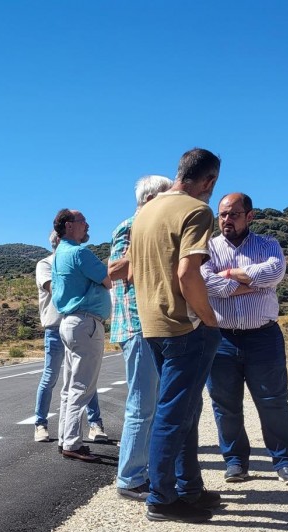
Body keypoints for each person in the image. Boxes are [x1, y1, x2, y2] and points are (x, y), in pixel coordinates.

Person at [126, 148, 223, 523]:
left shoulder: (144, 213)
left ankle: (188, 488)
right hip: (186, 326)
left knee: (185, 409)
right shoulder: (197, 211)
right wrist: (208, 318)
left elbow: (133, 274)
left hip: (153, 324)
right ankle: (162, 499)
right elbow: (187, 274)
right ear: (209, 180)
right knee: (173, 413)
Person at [201, 192, 288, 486]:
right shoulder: (207, 247)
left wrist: (232, 273)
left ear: (250, 216)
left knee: (273, 401)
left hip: (263, 337)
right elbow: (207, 282)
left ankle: (285, 463)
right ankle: (235, 462)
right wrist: (251, 284)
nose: (226, 220)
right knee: (225, 405)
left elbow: (274, 271)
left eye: (233, 214)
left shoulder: (268, 244)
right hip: (221, 339)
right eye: (222, 214)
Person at [108, 175, 172, 500]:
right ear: (150, 200)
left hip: (151, 325)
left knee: (154, 402)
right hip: (137, 325)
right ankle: (130, 478)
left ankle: (142, 472)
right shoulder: (131, 227)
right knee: (142, 404)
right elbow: (117, 270)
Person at [51, 208, 113, 462]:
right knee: (82, 387)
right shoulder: (79, 253)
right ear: (68, 225)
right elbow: (108, 280)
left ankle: (66, 438)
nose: (87, 226)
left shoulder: (59, 254)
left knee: (70, 386)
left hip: (70, 322)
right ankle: (73, 444)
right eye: (83, 221)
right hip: (87, 323)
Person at [33, 231, 104, 443]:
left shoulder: (77, 260)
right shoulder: (45, 264)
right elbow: (55, 288)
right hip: (55, 327)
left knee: (84, 378)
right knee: (51, 377)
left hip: (76, 323)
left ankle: (95, 423)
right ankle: (40, 424)